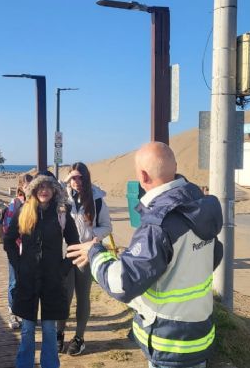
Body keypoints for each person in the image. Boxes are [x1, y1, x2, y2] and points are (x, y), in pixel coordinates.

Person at [67, 142, 224, 368]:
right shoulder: (199, 207)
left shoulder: (158, 225)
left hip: (169, 342)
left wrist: (94, 252)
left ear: (142, 175)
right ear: (175, 167)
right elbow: (214, 255)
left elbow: (122, 283)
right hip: (199, 334)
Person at [3, 171, 79, 368]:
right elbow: (9, 241)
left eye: (48, 187)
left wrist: (62, 269)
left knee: (49, 329)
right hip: (28, 278)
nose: (44, 191)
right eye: (40, 187)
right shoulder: (24, 210)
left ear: (54, 190)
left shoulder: (62, 213)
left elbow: (74, 245)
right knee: (27, 329)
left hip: (53, 279)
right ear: (34, 189)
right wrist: (18, 265)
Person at [56, 162, 112, 356]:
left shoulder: (96, 199)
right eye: (73, 177)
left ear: (86, 178)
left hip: (86, 255)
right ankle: (59, 333)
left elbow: (107, 226)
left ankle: (79, 337)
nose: (77, 181)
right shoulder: (62, 198)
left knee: (82, 296)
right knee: (64, 296)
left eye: (80, 177)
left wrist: (92, 236)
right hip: (67, 253)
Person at [0, 173, 33, 330]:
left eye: (31, 185)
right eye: (26, 185)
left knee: (28, 282)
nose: (29, 188)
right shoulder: (15, 205)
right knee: (14, 281)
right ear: (20, 187)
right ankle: (12, 312)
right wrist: (18, 246)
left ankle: (25, 312)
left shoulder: (37, 203)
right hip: (16, 251)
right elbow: (8, 229)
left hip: (32, 252)